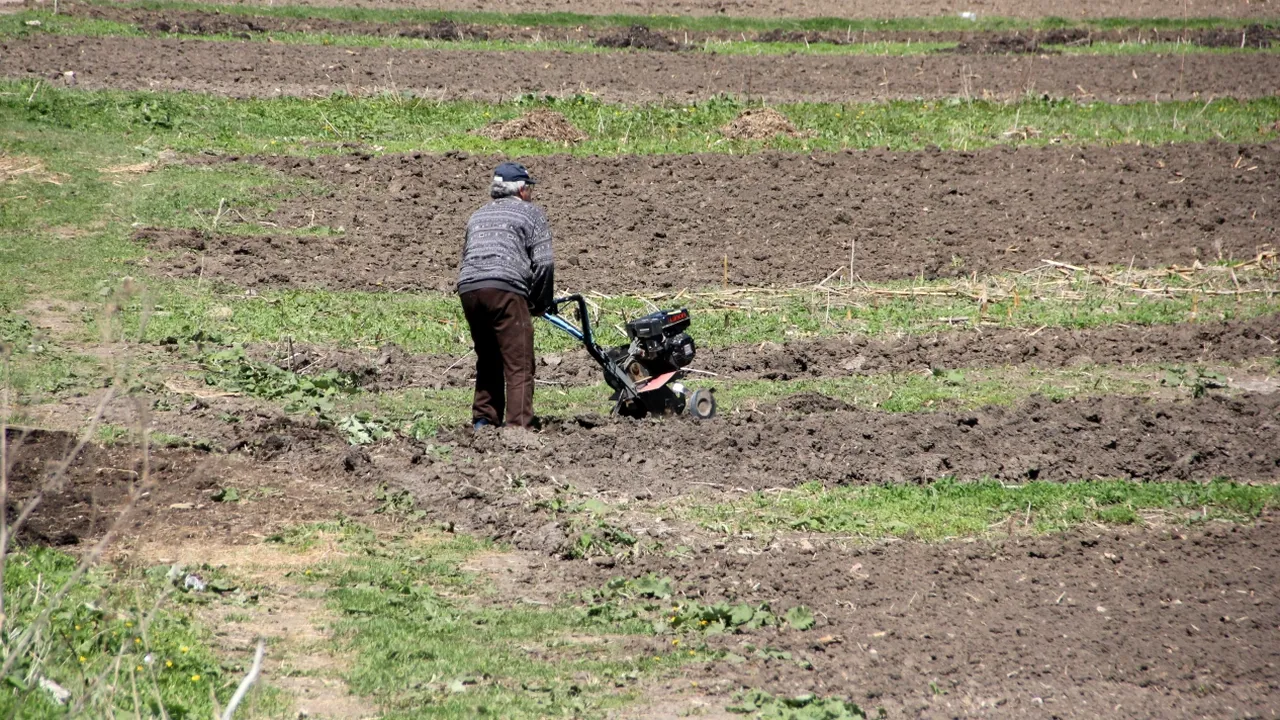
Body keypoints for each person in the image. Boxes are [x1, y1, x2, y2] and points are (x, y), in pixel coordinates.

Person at [456, 161, 555, 430]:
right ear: (522, 190)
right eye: (529, 188)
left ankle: (483, 421)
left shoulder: (477, 215)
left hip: (469, 289)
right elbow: (544, 263)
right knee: (519, 362)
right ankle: (517, 428)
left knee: (489, 357)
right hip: (504, 288)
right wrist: (540, 302)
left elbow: (467, 255)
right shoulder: (531, 213)